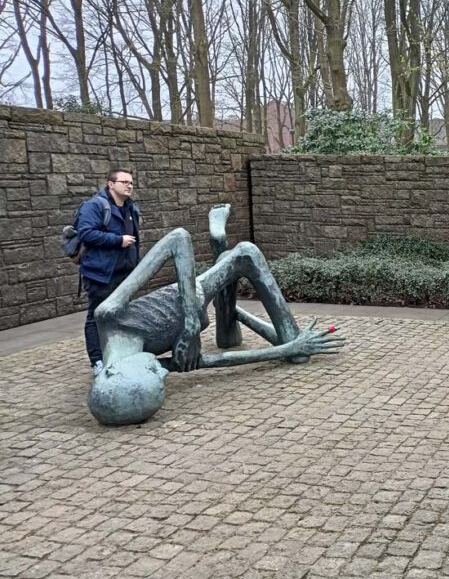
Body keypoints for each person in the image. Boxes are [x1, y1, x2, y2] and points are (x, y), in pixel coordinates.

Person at [89, 204, 344, 426]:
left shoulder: (109, 316)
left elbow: (178, 238)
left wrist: (190, 326)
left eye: (154, 373)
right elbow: (215, 361)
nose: (163, 372)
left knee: (247, 252)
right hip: (200, 314)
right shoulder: (146, 367)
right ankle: (232, 298)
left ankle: (218, 239)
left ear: (111, 372)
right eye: (162, 380)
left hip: (192, 295)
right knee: (287, 352)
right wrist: (287, 349)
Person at [79, 169, 141, 377]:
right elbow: (86, 233)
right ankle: (97, 361)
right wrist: (118, 240)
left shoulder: (131, 209)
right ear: (111, 184)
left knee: (121, 315)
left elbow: (135, 240)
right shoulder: (95, 206)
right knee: (97, 316)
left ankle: (117, 354)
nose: (129, 186)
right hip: (101, 274)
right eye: (124, 182)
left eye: (131, 183)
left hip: (126, 273)